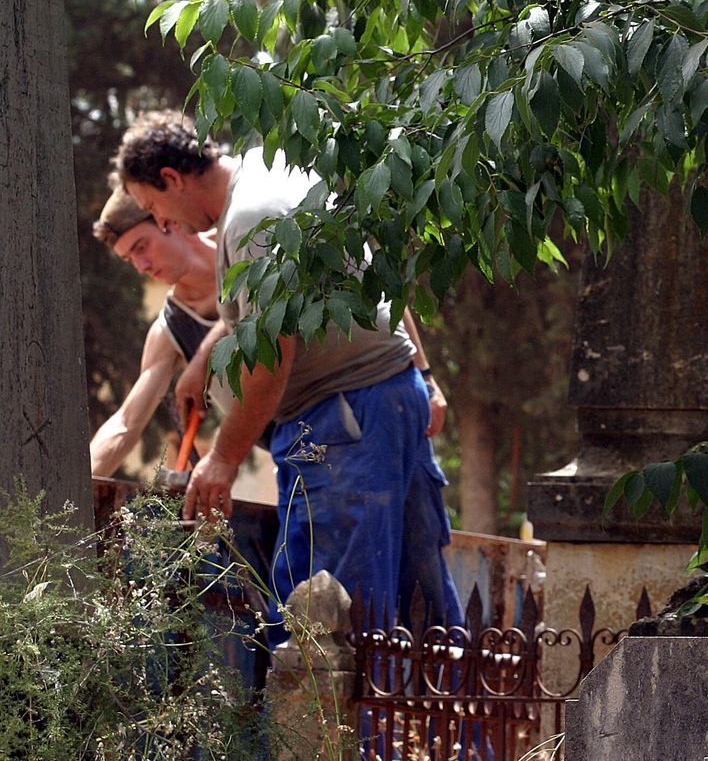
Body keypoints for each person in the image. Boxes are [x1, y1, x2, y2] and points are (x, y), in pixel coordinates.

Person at [115, 111, 461, 628]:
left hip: (342, 422)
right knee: (422, 607)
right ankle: (443, 707)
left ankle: (329, 716)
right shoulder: (271, 167)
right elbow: (305, 298)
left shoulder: (251, 219)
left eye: (155, 210)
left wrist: (224, 458)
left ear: (172, 179)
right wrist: (209, 354)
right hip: (387, 397)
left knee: (327, 616)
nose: (165, 223)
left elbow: (271, 357)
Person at [88, 179, 224, 477]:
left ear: (169, 221)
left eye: (141, 246)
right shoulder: (171, 329)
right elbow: (126, 423)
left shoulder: (245, 244)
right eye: (128, 258)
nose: (141, 266)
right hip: (291, 447)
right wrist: (69, 499)